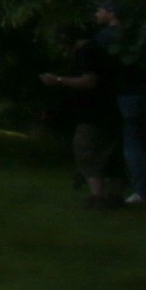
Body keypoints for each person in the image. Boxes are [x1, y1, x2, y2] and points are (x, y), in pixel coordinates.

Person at [90, 1, 146, 206]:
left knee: (133, 145)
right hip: (144, 93)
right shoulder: (136, 36)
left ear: (111, 13)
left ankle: (142, 190)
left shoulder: (104, 38)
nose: (97, 14)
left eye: (100, 10)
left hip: (124, 94)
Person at [42, 29, 124, 204]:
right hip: (109, 109)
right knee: (109, 152)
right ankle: (114, 194)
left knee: (86, 149)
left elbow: (89, 81)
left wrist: (58, 80)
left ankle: (97, 195)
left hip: (93, 111)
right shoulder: (98, 51)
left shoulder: (86, 54)